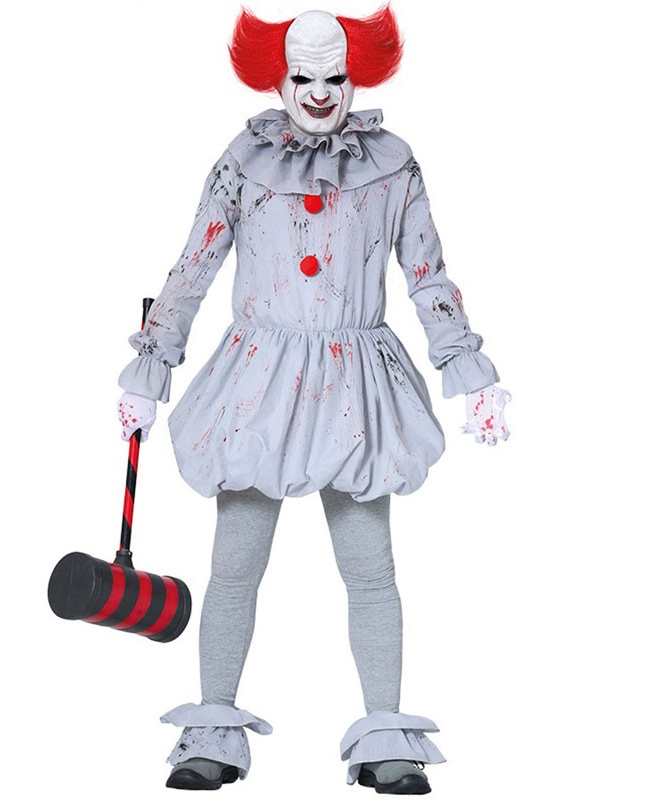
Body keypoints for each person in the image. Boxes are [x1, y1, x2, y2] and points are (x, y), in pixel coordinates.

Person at [116, 7, 511, 793]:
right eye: (304, 76)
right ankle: (213, 731)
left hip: (354, 385)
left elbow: (427, 274)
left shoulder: (392, 164)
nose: (321, 92)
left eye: (335, 76)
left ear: (358, 74)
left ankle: (385, 738)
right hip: (259, 383)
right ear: (278, 77)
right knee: (236, 564)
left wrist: (471, 373)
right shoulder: (244, 159)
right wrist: (149, 369)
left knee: (369, 567)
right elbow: (193, 266)